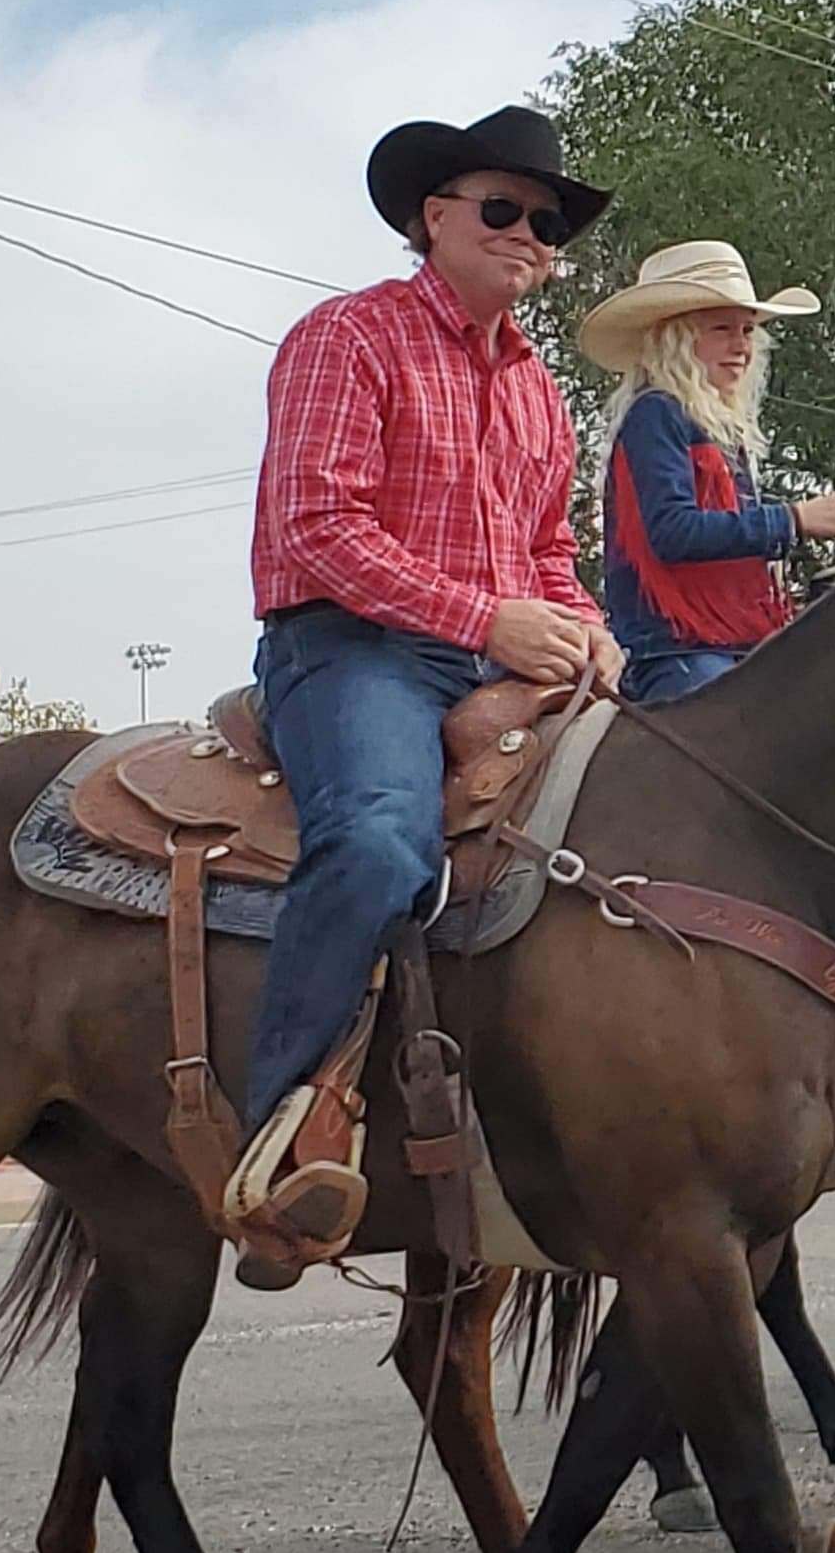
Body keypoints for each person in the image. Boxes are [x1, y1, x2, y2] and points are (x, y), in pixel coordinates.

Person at [228, 103, 620, 1285]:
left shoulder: (540, 395)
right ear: (430, 218)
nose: (529, 235)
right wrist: (487, 619)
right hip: (353, 648)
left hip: (504, 657)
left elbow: (550, 553)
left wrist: (588, 633)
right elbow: (319, 527)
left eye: (546, 222)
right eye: (503, 209)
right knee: (382, 840)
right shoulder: (347, 338)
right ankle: (281, 1127)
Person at [579, 239, 835, 702]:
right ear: (675, 338)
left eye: (748, 330)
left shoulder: (716, 427)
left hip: (732, 641)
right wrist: (794, 519)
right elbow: (671, 531)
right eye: (722, 329)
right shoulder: (656, 414)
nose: (741, 347)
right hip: (675, 649)